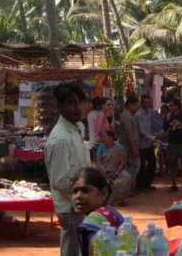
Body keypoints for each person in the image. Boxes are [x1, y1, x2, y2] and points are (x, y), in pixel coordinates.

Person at [45, 82, 91, 256]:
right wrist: (87, 187)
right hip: (70, 206)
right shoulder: (60, 139)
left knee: (79, 247)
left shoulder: (77, 128)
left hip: (80, 202)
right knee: (72, 249)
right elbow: (59, 180)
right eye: (71, 103)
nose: (78, 107)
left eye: (79, 102)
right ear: (60, 106)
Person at [73, 167, 124, 256]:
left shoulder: (94, 219)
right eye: (75, 191)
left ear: (104, 193)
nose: (78, 196)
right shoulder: (111, 212)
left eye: (85, 190)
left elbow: (95, 245)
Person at [95, 130, 132, 206]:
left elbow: (122, 162)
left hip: (116, 170)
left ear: (111, 138)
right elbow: (98, 162)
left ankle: (121, 200)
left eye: (105, 136)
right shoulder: (101, 147)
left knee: (127, 178)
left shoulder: (119, 147)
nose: (103, 138)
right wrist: (105, 171)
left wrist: (116, 173)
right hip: (104, 170)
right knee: (105, 181)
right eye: (102, 137)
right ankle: (107, 201)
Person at [117, 96, 140, 194]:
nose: (136, 108)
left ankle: (129, 188)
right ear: (130, 105)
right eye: (135, 105)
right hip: (128, 146)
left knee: (131, 167)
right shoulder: (126, 116)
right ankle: (127, 188)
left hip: (128, 146)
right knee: (134, 166)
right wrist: (134, 147)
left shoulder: (128, 115)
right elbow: (128, 133)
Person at [134, 94, 157, 191]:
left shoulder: (150, 113)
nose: (147, 104)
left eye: (148, 102)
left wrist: (154, 134)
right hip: (141, 144)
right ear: (141, 103)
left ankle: (147, 184)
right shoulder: (138, 115)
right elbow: (141, 130)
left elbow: (150, 127)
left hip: (149, 144)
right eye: (145, 102)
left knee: (152, 164)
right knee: (142, 166)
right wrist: (151, 137)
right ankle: (139, 186)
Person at [157, 104, 170, 176]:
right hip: (163, 140)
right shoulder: (169, 118)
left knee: (160, 155)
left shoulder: (158, 118)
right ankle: (165, 170)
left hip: (158, 139)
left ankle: (162, 171)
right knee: (165, 155)